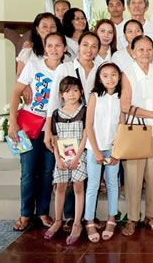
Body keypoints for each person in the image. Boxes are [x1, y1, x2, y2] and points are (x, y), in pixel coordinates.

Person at [8, 32, 67, 231]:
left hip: (54, 128)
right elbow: (16, 92)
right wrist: (12, 121)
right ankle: (25, 214)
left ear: (65, 48)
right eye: (50, 45)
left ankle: (42, 212)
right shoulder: (33, 65)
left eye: (58, 45)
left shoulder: (68, 69)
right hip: (29, 125)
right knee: (27, 172)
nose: (54, 49)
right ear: (44, 47)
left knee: (47, 172)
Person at [44, 32, 100, 231]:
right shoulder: (65, 67)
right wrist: (48, 130)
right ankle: (65, 218)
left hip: (89, 128)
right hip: (65, 129)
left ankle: (82, 218)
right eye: (85, 44)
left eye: (94, 46)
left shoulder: (100, 68)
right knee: (62, 179)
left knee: (82, 177)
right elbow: (53, 100)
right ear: (78, 45)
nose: (89, 49)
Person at [120, 35, 153, 236]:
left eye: (149, 49)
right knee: (133, 176)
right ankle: (132, 218)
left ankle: (151, 216)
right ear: (132, 52)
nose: (145, 53)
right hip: (136, 130)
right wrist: (152, 115)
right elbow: (124, 106)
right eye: (140, 49)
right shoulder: (128, 73)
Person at [47, 76, 88, 245]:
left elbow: (86, 135)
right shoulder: (56, 114)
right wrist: (58, 158)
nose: (71, 94)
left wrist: (77, 157)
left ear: (81, 92)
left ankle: (77, 223)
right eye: (67, 91)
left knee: (78, 187)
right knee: (60, 187)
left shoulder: (84, 111)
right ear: (61, 94)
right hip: (62, 158)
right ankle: (58, 220)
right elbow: (54, 139)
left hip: (79, 156)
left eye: (75, 90)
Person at [84, 62, 122, 243]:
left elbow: (121, 128)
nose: (110, 78)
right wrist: (97, 150)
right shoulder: (94, 97)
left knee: (113, 183)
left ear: (119, 77)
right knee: (92, 186)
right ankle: (89, 220)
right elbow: (88, 125)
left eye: (113, 74)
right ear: (99, 78)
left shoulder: (121, 97)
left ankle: (112, 218)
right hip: (95, 148)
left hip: (114, 149)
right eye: (105, 75)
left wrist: (116, 152)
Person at [16, 12, 61, 79]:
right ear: (37, 29)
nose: (49, 30)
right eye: (44, 26)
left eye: (52, 26)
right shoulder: (28, 51)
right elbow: (19, 78)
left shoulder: (64, 52)